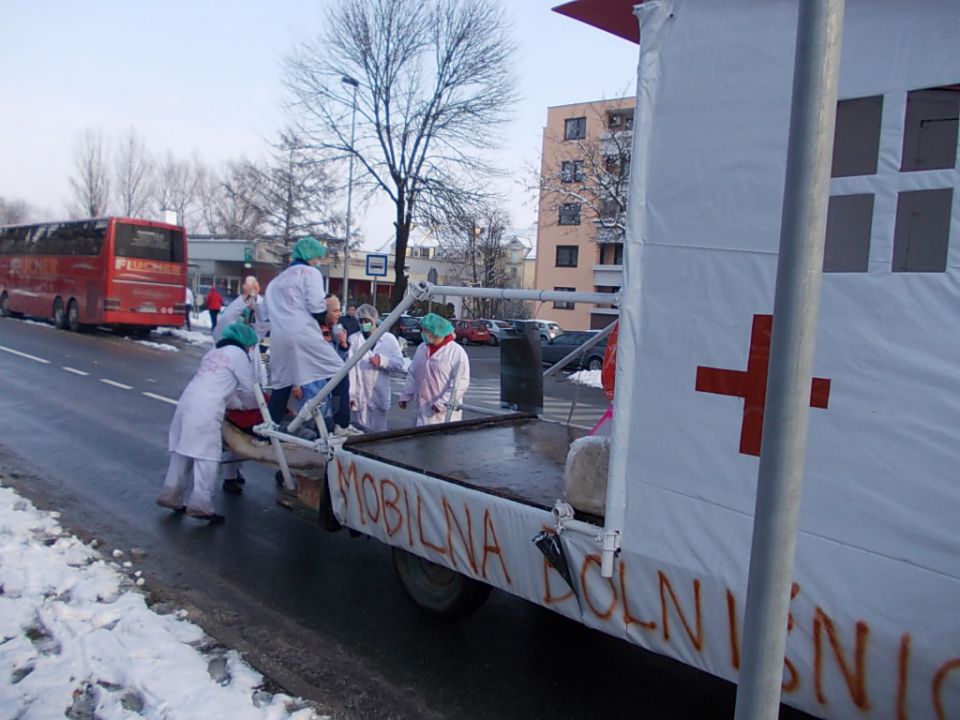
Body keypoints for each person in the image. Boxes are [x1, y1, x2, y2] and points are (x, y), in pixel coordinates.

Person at [156, 323, 260, 523]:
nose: (250, 350)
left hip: (187, 402)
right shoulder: (239, 355)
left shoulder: (214, 352)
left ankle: (171, 496)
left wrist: (236, 404)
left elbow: (219, 385)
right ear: (245, 342)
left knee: (182, 452)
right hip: (206, 409)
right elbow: (248, 389)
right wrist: (253, 407)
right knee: (207, 457)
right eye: (251, 346)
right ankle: (201, 505)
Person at [261, 236, 344, 425]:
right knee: (339, 371)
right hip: (303, 334)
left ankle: (271, 429)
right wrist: (326, 318)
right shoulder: (309, 273)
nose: (318, 261)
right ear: (311, 255)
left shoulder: (276, 281)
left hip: (279, 338)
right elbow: (316, 306)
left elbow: (265, 314)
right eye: (317, 257)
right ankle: (340, 421)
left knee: (282, 385)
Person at [213, 276, 269, 495]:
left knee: (245, 438)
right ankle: (230, 476)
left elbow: (265, 321)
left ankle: (235, 473)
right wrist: (244, 298)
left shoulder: (252, 337)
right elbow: (226, 318)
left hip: (252, 397)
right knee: (231, 439)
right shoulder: (226, 338)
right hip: (234, 398)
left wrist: (257, 299)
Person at [399, 313, 470, 426]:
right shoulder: (422, 348)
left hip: (442, 415)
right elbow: (413, 373)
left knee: (440, 442)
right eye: (423, 329)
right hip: (421, 410)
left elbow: (460, 383)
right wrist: (406, 395)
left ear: (437, 332)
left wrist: (441, 404)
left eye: (426, 330)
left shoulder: (456, 352)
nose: (423, 333)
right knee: (420, 441)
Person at [348, 304, 405, 432]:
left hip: (379, 393)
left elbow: (399, 364)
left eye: (367, 321)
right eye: (361, 321)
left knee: (379, 434)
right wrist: (351, 395)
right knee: (358, 433)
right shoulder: (354, 339)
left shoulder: (388, 339)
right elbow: (350, 370)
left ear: (375, 319)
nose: (364, 324)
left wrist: (382, 361)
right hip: (359, 395)